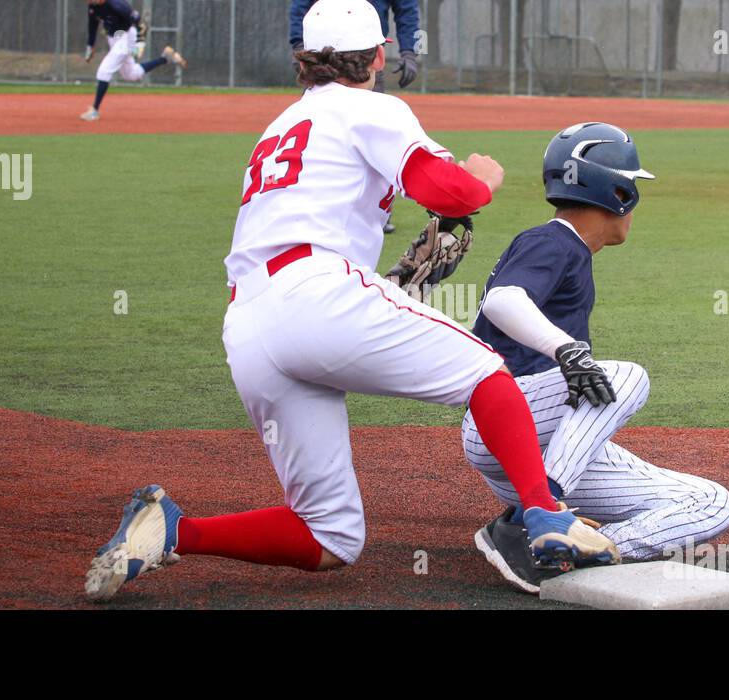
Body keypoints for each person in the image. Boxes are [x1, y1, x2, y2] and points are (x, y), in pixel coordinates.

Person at [83, 0, 617, 603]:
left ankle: (174, 532)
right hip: (317, 292)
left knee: (330, 535)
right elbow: (449, 188)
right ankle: (546, 516)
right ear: (379, 55)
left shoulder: (280, 124)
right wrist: (480, 180)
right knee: (489, 374)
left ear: (304, 60)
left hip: (249, 324)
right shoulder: (369, 105)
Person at [462, 122, 729, 593]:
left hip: (546, 444)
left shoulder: (567, 249)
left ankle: (582, 546)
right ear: (618, 192)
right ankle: (543, 511)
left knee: (712, 502)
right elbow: (502, 300)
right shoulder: (552, 240)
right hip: (507, 423)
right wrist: (567, 351)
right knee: (627, 376)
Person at [290, 0, 421, 233]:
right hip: (331, 57)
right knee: (334, 137)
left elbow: (409, 10)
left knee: (325, 136)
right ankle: (310, 206)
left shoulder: (286, 119)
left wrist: (412, 51)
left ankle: (375, 211)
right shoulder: (394, 109)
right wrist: (299, 43)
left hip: (360, 56)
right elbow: (300, 5)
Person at [79, 0, 186, 122]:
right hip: (114, 38)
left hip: (125, 36)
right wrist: (90, 46)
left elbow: (142, 25)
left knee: (104, 71)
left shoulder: (117, 5)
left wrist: (139, 44)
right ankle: (165, 58)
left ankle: (94, 111)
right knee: (131, 74)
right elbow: (92, 25)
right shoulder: (93, 6)